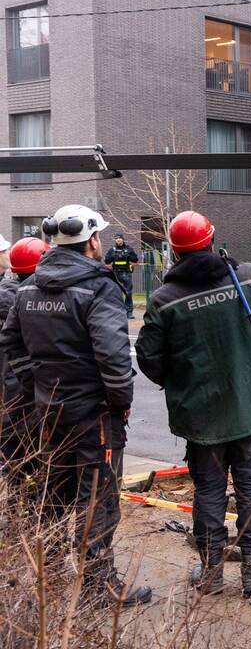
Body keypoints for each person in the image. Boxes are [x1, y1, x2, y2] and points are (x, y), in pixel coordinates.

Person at [135, 211, 251, 597]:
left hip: (202, 418)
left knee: (209, 491)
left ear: (174, 252)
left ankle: (211, 574)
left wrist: (180, 380)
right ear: (213, 241)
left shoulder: (164, 300)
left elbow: (148, 357)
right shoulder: (246, 276)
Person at [0, 206, 151, 607]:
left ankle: (49, 577)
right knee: (98, 498)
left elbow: (11, 343)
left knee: (57, 493)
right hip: (93, 415)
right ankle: (98, 589)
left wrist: (38, 387)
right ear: (92, 241)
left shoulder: (29, 288)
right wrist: (119, 403)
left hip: (49, 412)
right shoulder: (98, 288)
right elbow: (114, 360)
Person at [0, 237, 49, 471]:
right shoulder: (21, 298)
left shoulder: (14, 295)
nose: (7, 254)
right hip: (24, 393)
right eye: (4, 250)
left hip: (13, 391)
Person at [104, 232, 139, 319]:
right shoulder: (112, 250)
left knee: (128, 293)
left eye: (119, 238)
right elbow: (107, 261)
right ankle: (117, 312)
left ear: (123, 239)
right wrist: (111, 256)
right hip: (115, 273)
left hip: (126, 273)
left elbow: (135, 259)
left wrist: (129, 255)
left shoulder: (129, 249)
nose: (118, 240)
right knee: (115, 293)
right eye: (116, 238)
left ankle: (129, 312)